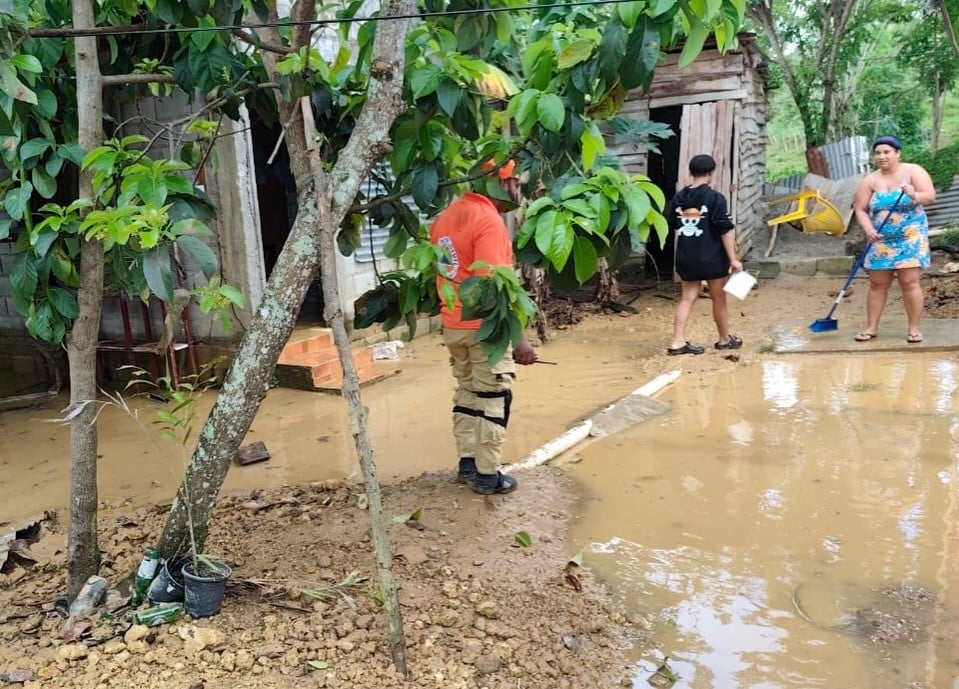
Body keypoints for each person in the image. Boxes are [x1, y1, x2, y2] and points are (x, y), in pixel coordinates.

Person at [429, 160, 537, 495]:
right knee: (493, 396)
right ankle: (488, 476)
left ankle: (467, 464)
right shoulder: (488, 221)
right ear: (501, 182)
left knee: (467, 392)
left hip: (452, 324)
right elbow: (494, 288)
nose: (518, 191)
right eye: (516, 183)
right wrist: (519, 340)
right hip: (483, 328)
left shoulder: (445, 218)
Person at [852, 135, 936, 343]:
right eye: (878, 153)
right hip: (880, 239)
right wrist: (868, 230)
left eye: (887, 152)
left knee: (909, 282)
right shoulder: (870, 180)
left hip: (910, 237)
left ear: (897, 153)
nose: (882, 156)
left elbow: (930, 196)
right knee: (877, 283)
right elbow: (860, 209)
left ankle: (914, 329)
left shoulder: (913, 171)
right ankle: (871, 327)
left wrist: (914, 193)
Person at [666, 153, 744, 355]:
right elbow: (725, 229)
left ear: (691, 172)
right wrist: (733, 259)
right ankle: (724, 340)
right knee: (718, 298)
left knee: (687, 298)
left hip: (686, 256)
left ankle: (677, 342)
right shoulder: (715, 198)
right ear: (710, 173)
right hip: (711, 258)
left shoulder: (678, 198)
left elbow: (673, 223)